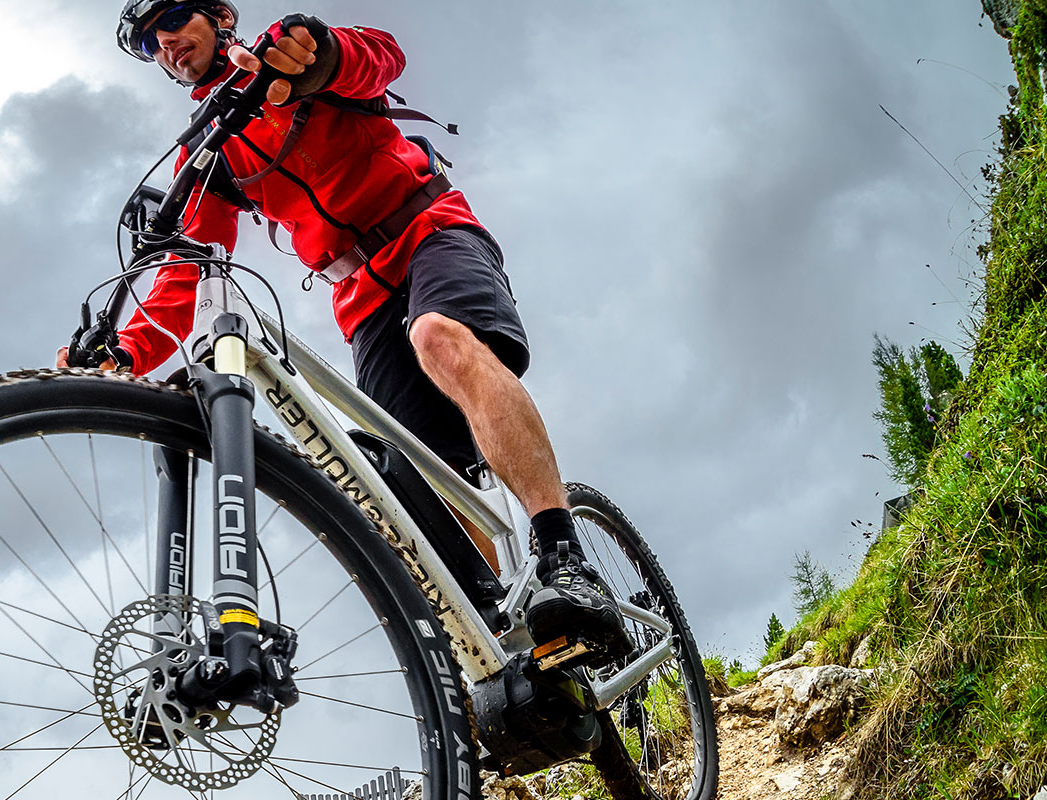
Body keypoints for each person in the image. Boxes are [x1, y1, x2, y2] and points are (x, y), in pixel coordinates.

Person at [58, 1, 627, 668]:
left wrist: (315, 52)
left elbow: (377, 56)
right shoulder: (211, 147)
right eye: (151, 43)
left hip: (427, 229)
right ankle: (502, 638)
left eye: (176, 18)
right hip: (358, 294)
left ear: (218, 16)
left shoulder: (291, 58)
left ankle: (564, 557)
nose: (167, 44)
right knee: (417, 477)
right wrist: (127, 353)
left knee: (439, 336)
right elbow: (188, 270)